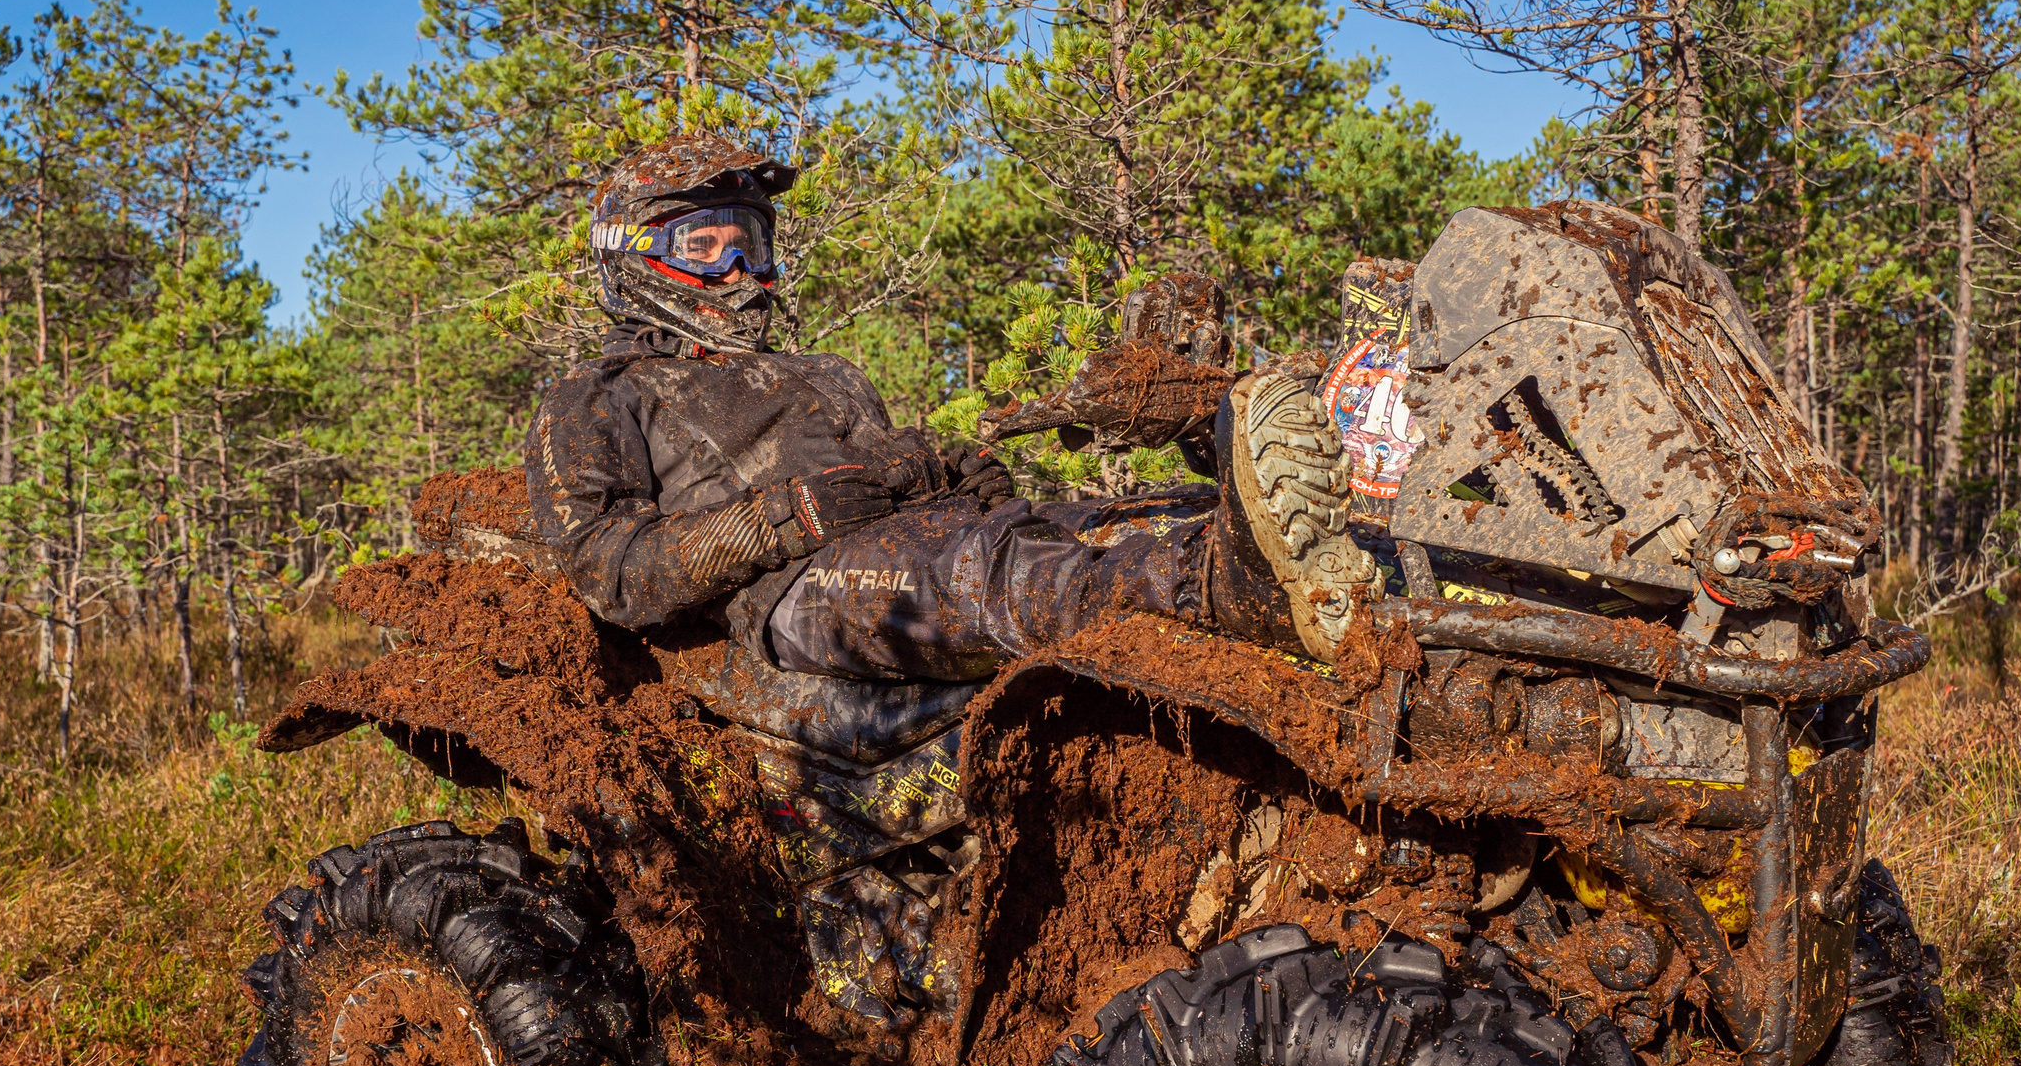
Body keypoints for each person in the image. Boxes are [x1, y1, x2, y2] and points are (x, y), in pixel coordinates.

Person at [524, 131, 1392, 684]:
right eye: (703, 248)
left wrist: (950, 469)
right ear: (635, 260)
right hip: (786, 593)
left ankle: (1312, 555)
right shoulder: (599, 395)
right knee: (985, 571)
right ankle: (1219, 590)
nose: (737, 271)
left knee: (1096, 519)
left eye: (746, 244)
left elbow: (891, 481)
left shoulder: (821, 371)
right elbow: (612, 568)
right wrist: (786, 519)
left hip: (902, 544)